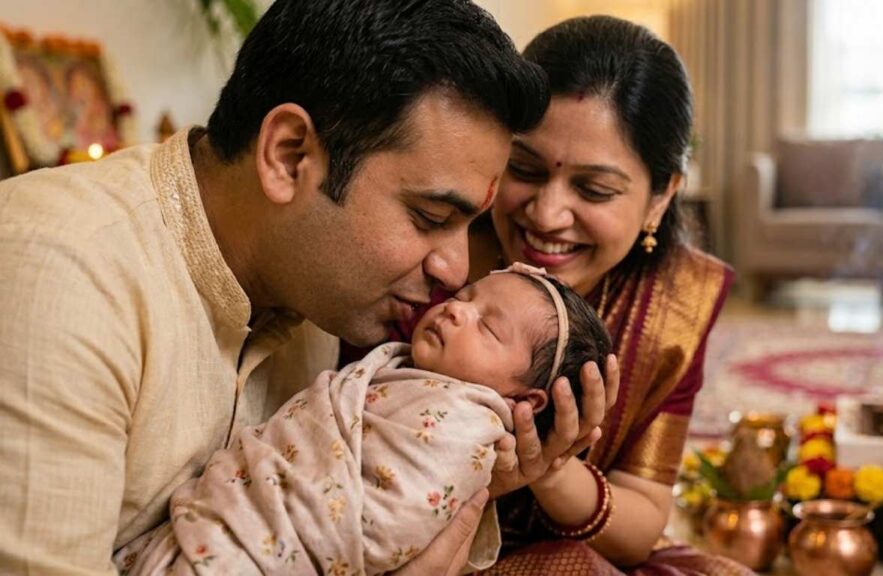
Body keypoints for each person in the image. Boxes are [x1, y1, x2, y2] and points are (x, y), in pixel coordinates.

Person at [0, 2, 618, 574]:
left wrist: (456, 472)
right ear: (290, 155)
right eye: (430, 217)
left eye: (468, 227)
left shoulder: (316, 294)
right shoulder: (58, 276)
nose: (456, 272)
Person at [472, 16, 748, 574]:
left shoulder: (674, 305)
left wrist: (551, 469)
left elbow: (639, 528)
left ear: (659, 198)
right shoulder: (442, 251)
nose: (547, 215)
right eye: (523, 168)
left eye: (594, 189)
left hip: (578, 546)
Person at [113, 265, 611, 574]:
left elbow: (395, 517)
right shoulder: (402, 367)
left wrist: (296, 527)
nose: (457, 312)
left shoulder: (466, 427)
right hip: (246, 494)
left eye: (489, 327)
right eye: (466, 298)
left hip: (284, 540)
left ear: (526, 400)